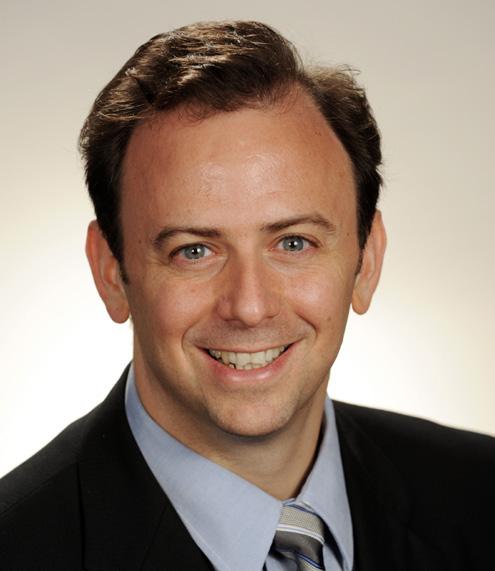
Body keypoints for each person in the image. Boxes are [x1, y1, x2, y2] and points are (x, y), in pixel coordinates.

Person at [0, 20, 493, 571]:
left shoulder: (481, 496)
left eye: (294, 243)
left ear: (367, 260)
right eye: (193, 251)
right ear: (111, 273)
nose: (250, 307)